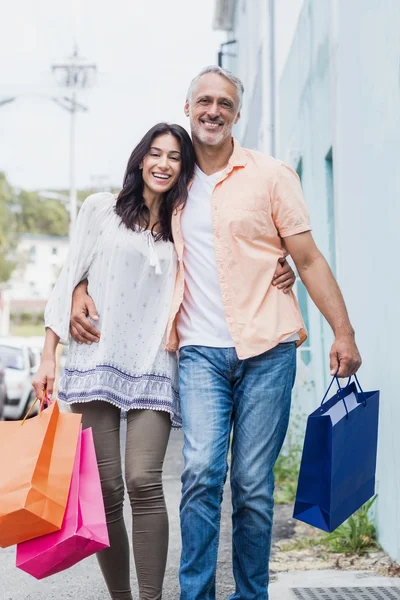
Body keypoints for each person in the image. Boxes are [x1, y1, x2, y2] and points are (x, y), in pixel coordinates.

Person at [69, 67, 359, 600]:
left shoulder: (272, 176)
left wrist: (343, 332)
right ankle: (195, 594)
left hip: (268, 348)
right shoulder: (173, 184)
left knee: (250, 487)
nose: (213, 110)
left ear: (237, 114)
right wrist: (79, 286)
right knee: (201, 473)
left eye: (224, 103)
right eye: (204, 101)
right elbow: (121, 243)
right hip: (199, 352)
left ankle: (251, 594)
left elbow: (309, 258)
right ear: (187, 109)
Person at [33, 119, 296, 600]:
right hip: (96, 359)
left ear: (184, 168)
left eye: (175, 157)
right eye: (156, 153)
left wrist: (284, 265)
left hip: (155, 364)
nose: (164, 163)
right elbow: (70, 272)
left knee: (143, 480)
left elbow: (234, 254)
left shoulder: (184, 223)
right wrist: (50, 352)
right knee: (108, 490)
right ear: (140, 158)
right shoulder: (100, 210)